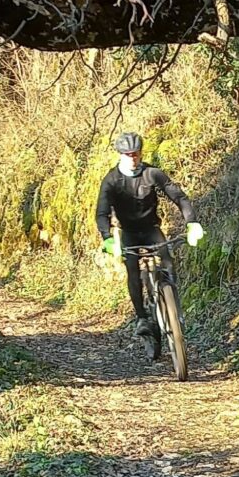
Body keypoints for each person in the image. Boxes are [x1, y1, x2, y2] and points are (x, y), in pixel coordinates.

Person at [96, 132, 204, 336]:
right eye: (128, 154)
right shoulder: (111, 180)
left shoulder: (152, 174)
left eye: (136, 154)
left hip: (151, 229)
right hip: (128, 233)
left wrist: (192, 222)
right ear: (120, 154)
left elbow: (179, 197)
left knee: (168, 263)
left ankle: (171, 304)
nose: (133, 158)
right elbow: (102, 213)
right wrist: (108, 238)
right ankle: (142, 318)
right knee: (133, 272)